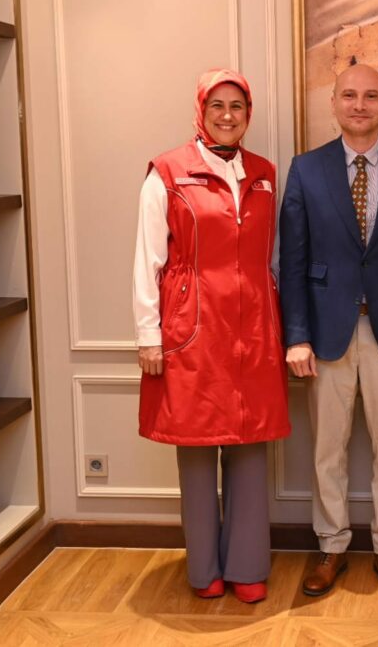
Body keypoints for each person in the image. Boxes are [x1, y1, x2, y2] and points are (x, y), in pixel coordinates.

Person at [279, 64, 378, 598]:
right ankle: (331, 546)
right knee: (328, 449)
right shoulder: (306, 169)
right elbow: (292, 261)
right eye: (349, 95)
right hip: (326, 336)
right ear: (334, 103)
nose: (360, 105)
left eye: (371, 96)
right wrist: (296, 335)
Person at [133, 68, 290, 603]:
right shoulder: (167, 172)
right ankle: (204, 570)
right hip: (191, 329)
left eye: (237, 106)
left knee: (249, 446)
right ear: (201, 111)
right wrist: (148, 334)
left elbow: (272, 256)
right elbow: (148, 259)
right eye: (216, 105)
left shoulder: (264, 174)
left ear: (248, 114)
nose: (227, 115)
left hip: (253, 328)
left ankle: (247, 566)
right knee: (198, 453)